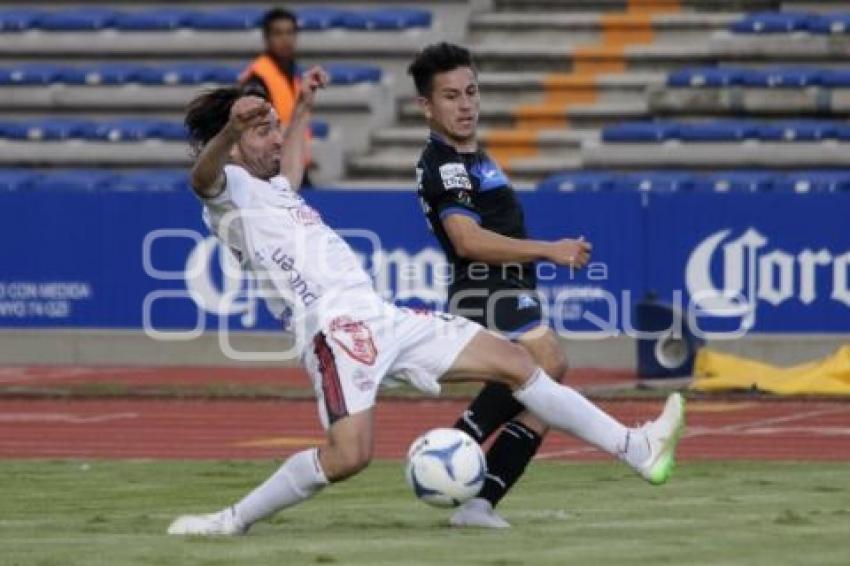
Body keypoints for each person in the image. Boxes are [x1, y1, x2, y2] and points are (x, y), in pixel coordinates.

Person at [167, 66, 686, 536]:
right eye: (264, 131)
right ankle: (232, 520)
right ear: (233, 143)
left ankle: (637, 448)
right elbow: (201, 177)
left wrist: (302, 108)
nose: (275, 140)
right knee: (349, 457)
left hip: (380, 316)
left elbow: (293, 170)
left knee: (517, 362)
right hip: (335, 333)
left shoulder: (272, 187)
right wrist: (233, 129)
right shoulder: (226, 187)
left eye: (274, 128)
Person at [409, 42, 591, 528]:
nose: (465, 104)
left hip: (507, 285)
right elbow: (466, 240)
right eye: (450, 96)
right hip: (485, 285)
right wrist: (549, 249)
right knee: (546, 363)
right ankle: (448, 453)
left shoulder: (473, 156)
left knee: (547, 381)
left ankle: (479, 499)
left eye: (471, 92)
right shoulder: (448, 165)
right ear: (427, 106)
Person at [239, 7, 313, 187]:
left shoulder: (294, 76)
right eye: (278, 33)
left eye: (290, 32)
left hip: (292, 162)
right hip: (270, 170)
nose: (285, 39)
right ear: (266, 38)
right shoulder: (257, 78)